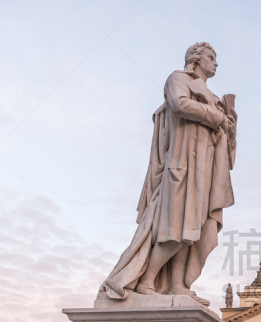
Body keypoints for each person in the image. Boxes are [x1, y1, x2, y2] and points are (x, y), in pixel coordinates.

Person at [101, 42, 237, 304]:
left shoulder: (212, 95)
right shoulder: (178, 78)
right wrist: (216, 116)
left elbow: (221, 135)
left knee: (195, 228)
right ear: (196, 59)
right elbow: (179, 104)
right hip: (184, 161)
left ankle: (177, 284)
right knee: (177, 226)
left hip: (205, 166)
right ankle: (146, 280)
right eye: (211, 57)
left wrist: (229, 124)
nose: (216, 63)